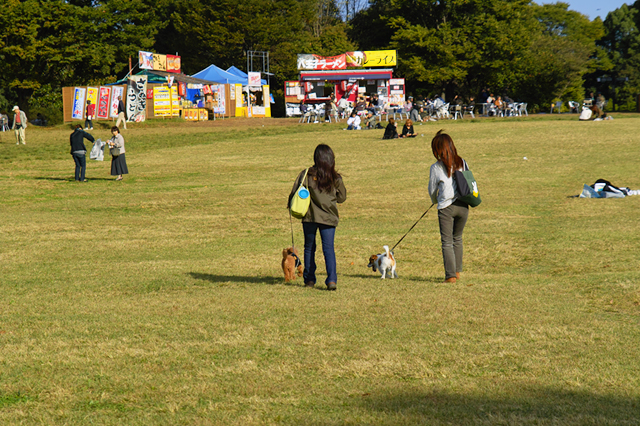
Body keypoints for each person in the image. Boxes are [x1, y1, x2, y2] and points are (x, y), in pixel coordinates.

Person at [288, 144, 347, 290]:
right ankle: (331, 280)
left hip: (309, 217)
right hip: (328, 218)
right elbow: (342, 197)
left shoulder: (306, 174)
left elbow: (294, 192)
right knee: (328, 249)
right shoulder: (335, 177)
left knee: (309, 248)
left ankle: (309, 280)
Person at [428, 130, 470, 283]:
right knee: (457, 238)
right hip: (464, 206)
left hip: (446, 207)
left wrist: (434, 200)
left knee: (447, 241)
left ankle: (450, 276)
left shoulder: (436, 167)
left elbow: (432, 190)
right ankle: (457, 272)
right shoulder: (462, 162)